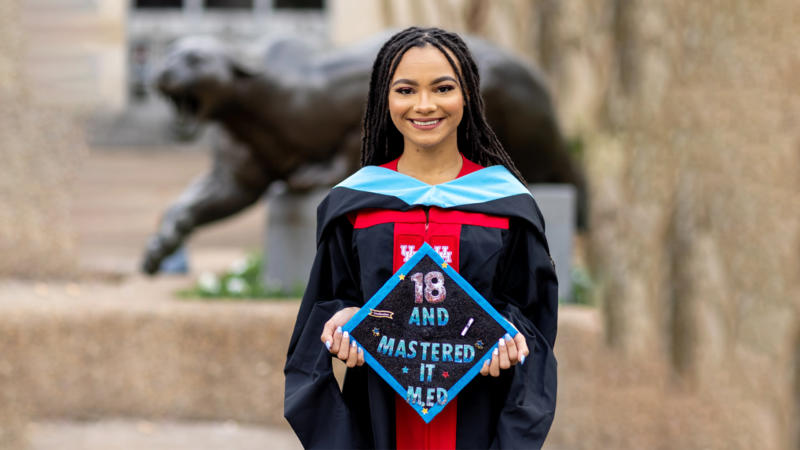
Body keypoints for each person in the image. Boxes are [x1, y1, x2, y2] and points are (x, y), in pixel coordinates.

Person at [284, 27, 558, 449]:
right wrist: (342, 320)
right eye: (406, 90)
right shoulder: (355, 204)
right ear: (384, 100)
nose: (424, 105)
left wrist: (507, 333)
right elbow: (323, 313)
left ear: (467, 94)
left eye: (443, 88)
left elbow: (534, 323)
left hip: (477, 423)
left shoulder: (506, 205)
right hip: (379, 421)